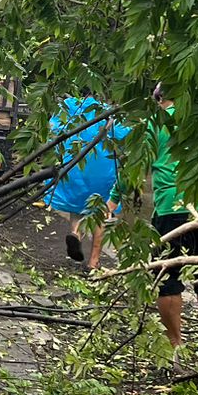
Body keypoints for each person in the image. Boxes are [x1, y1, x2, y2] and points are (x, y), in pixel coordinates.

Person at [149, 86, 198, 354]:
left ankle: (176, 344)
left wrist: (112, 202)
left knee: (167, 279)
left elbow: (134, 166)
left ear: (159, 99)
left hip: (171, 208)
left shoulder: (154, 123)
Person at [42, 95, 131, 271]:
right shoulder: (110, 113)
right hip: (102, 168)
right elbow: (125, 137)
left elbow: (53, 130)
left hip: (75, 165)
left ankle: (75, 233)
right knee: (101, 211)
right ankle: (93, 261)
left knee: (77, 206)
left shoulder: (69, 106)